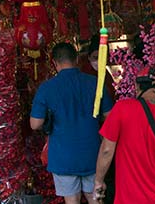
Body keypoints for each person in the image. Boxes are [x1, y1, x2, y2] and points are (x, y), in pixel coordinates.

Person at [30, 42, 113, 204]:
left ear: (54, 62)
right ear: (76, 59)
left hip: (63, 157)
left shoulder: (47, 88)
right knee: (95, 198)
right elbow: (110, 117)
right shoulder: (95, 83)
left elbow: (35, 124)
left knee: (72, 201)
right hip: (92, 154)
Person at [93, 68, 155, 204]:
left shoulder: (122, 108)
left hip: (130, 198)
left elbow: (106, 150)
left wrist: (99, 181)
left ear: (137, 86)